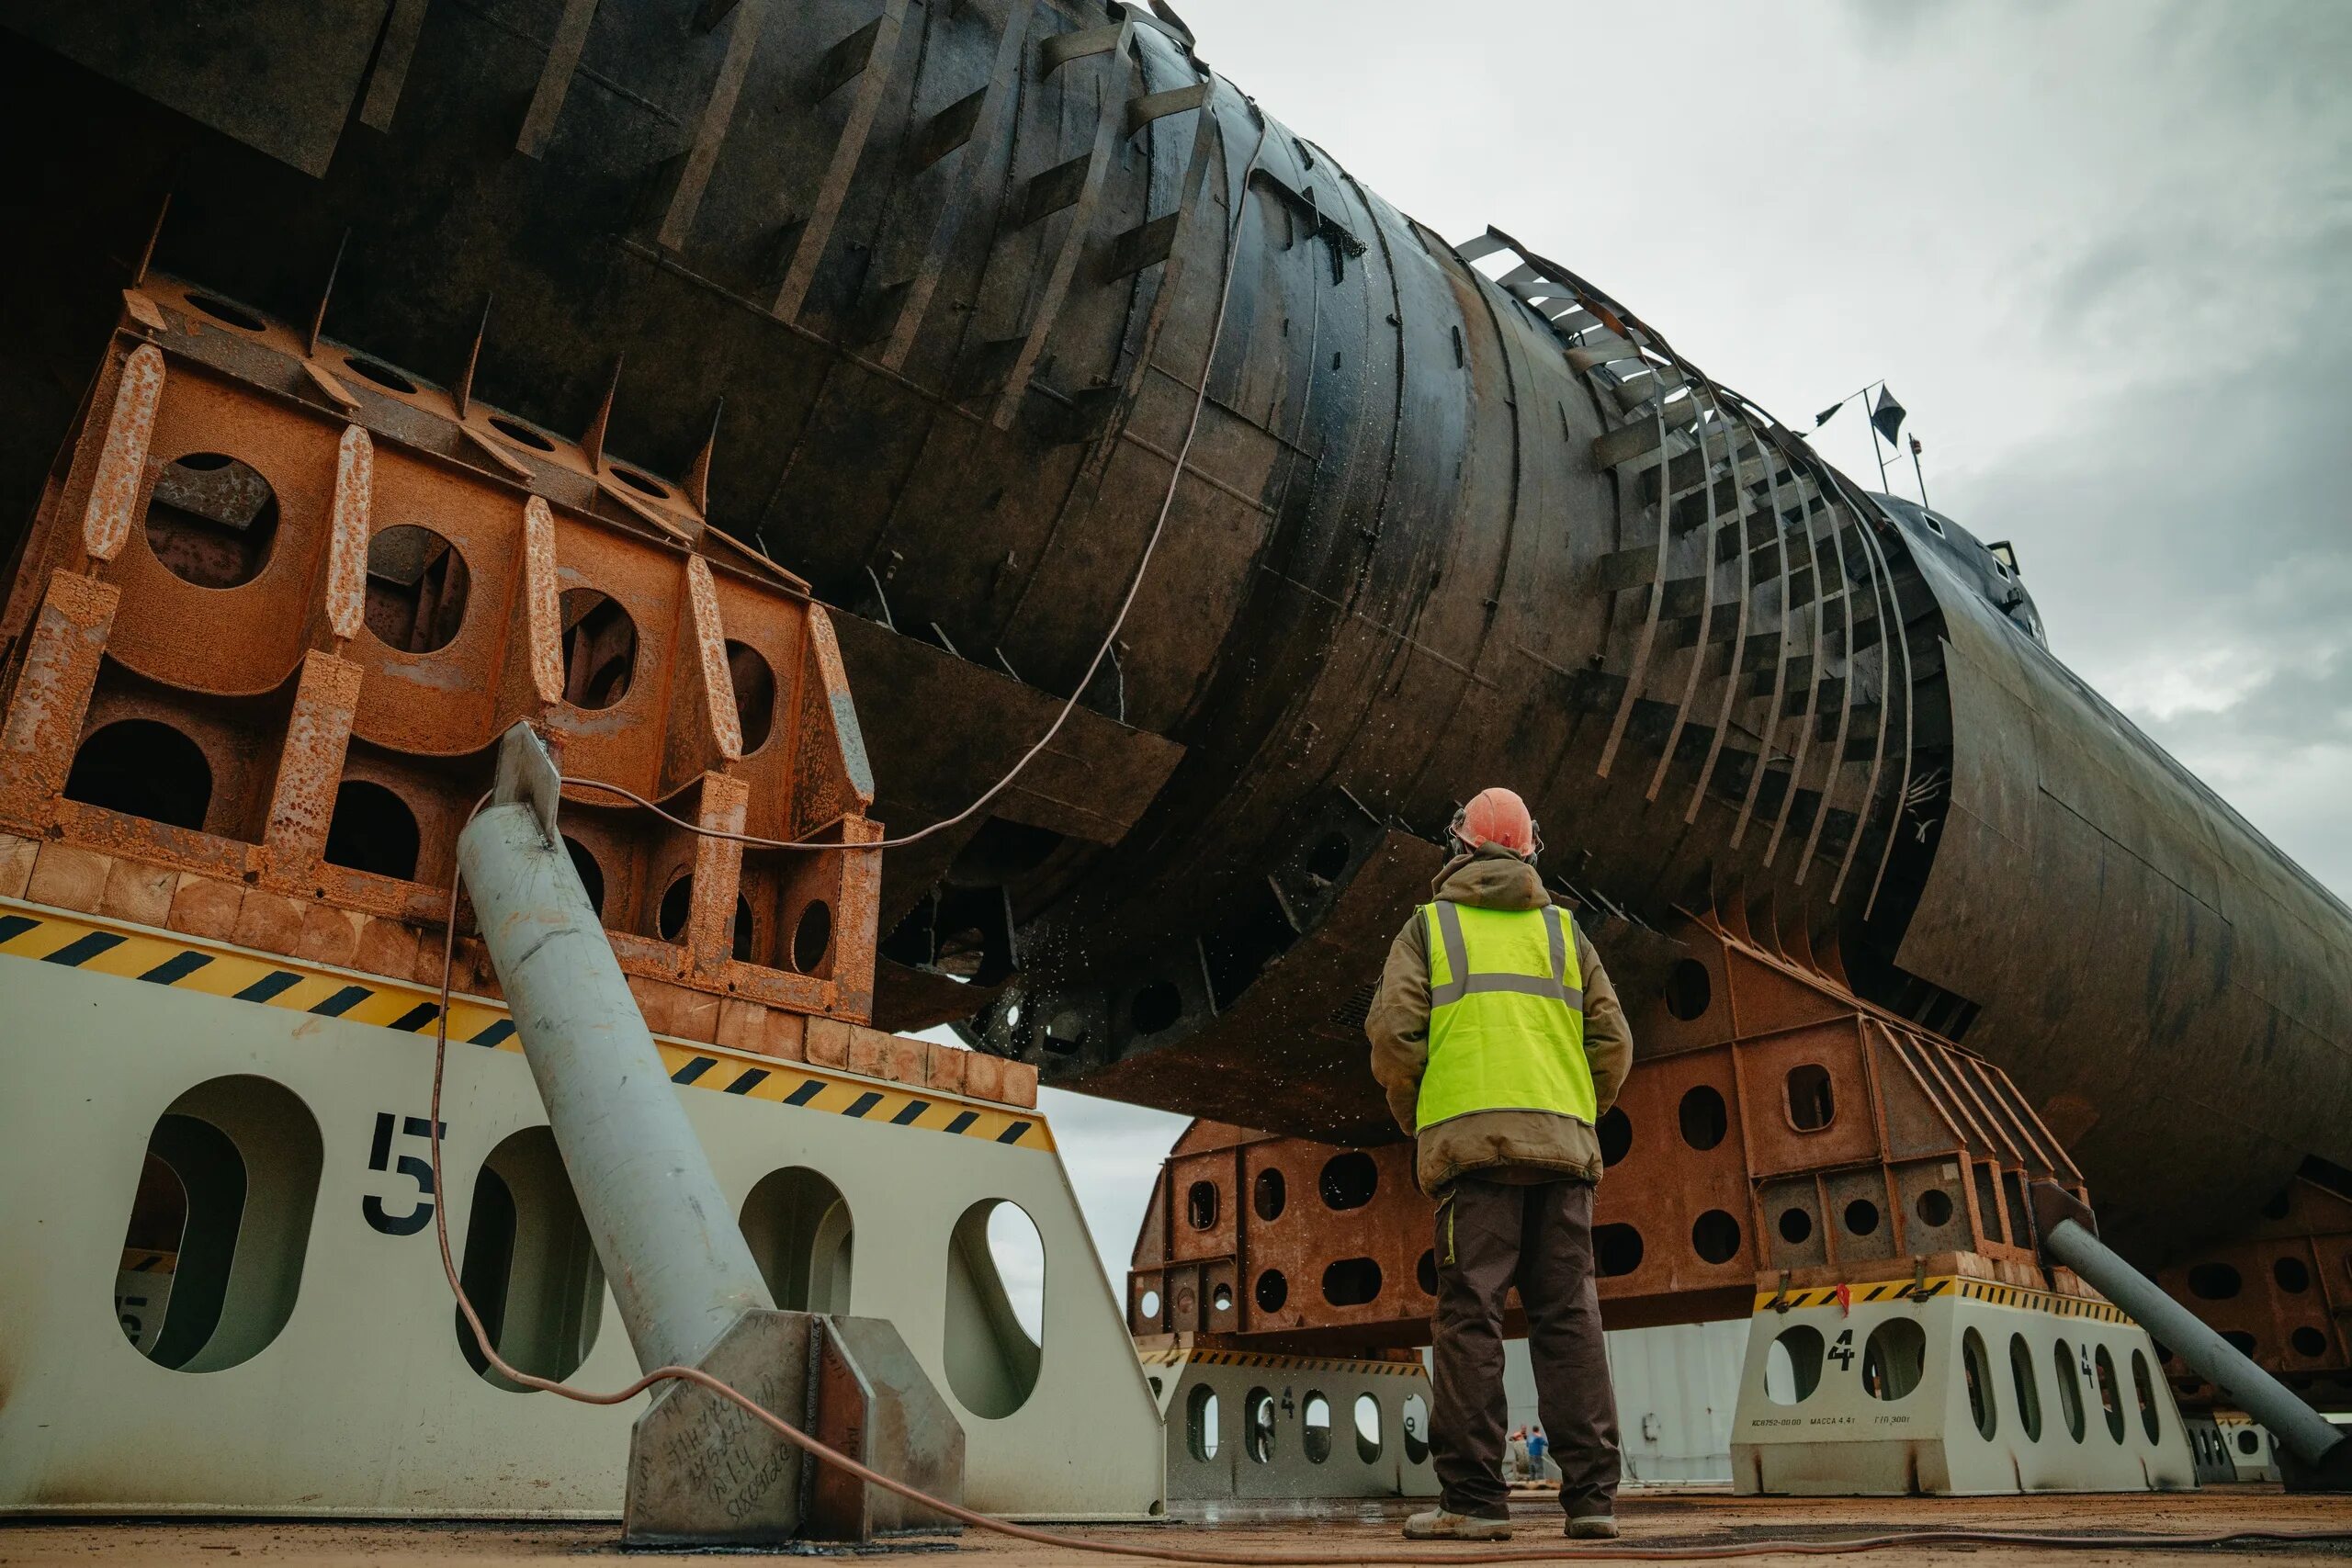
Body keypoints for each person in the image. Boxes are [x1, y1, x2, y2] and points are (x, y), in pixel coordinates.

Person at [1366, 786, 1633, 1541]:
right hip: (1563, 1154)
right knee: (1570, 1317)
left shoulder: (1427, 930)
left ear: (1460, 848)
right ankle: (1591, 1501)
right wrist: (1577, 1112)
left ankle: (1476, 1503)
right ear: (1528, 851)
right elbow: (1614, 1043)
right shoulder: (1566, 934)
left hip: (1472, 1158)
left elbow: (1394, 1039)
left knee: (1470, 1318)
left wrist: (1423, 1118)